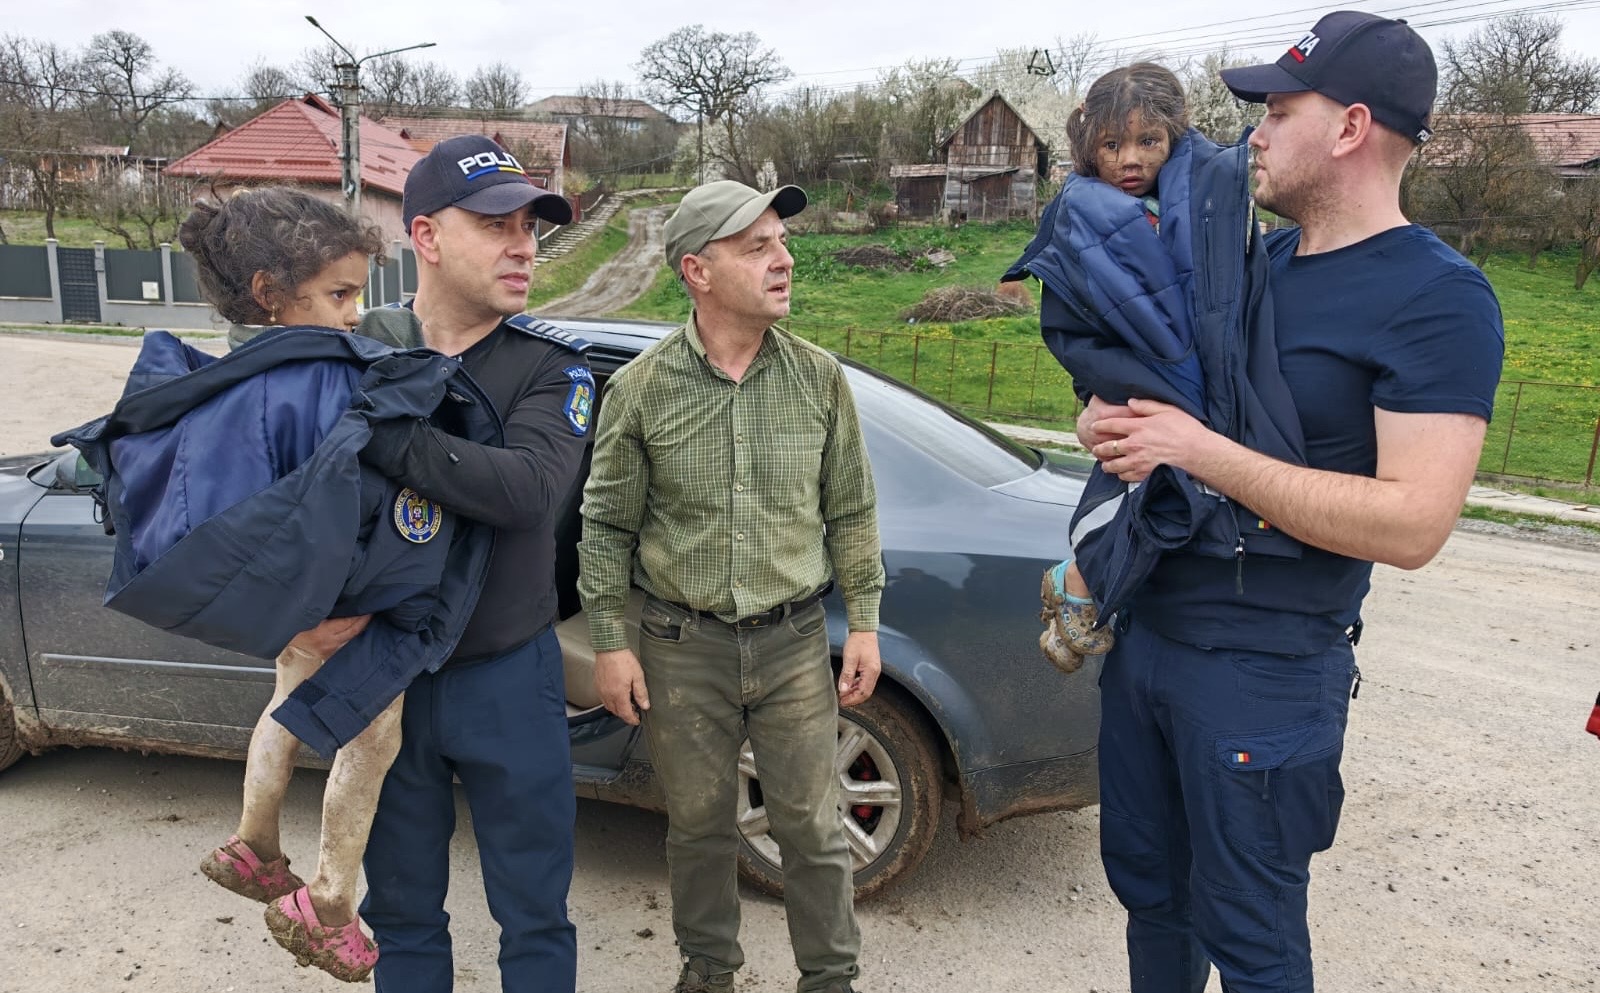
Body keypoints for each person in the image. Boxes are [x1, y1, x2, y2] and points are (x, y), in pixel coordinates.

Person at [1076, 12, 1505, 992]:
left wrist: (1202, 451)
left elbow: (1412, 523)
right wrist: (1114, 427)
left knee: (1253, 936)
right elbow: (1159, 414)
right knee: (1153, 900)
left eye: (1276, 111)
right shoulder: (1250, 269)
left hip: (1263, 673)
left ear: (1350, 128)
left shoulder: (1437, 298)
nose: (1252, 135)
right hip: (1148, 641)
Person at [577, 180, 885, 993]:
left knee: (813, 828)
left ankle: (830, 978)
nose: (784, 261)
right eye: (757, 247)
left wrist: (865, 622)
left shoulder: (819, 380)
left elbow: (851, 508)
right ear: (697, 271)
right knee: (699, 828)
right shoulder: (641, 389)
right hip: (683, 647)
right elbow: (605, 526)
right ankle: (708, 970)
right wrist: (610, 642)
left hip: (792, 644)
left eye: (782, 242)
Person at [350, 135, 590, 993]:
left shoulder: (551, 368)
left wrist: (382, 433)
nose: (524, 244)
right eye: (496, 223)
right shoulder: (358, 358)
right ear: (426, 235)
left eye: (531, 226)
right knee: (401, 914)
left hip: (508, 676)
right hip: (385, 672)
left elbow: (526, 489)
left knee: (534, 916)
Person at [1009, 62, 1306, 676]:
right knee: (1148, 485)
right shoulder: (1080, 211)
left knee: (1166, 484)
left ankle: (1082, 587)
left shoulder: (1204, 195)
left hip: (1193, 374)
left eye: (1149, 141)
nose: (1130, 160)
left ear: (1175, 137)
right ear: (1088, 147)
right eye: (1112, 144)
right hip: (1140, 372)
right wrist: (1098, 389)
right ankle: (1084, 588)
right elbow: (1079, 315)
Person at [180, 187, 396, 983]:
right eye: (339, 294)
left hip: (295, 607)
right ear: (270, 293)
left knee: (286, 700)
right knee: (373, 738)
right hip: (342, 604)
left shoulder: (241, 375)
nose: (353, 314)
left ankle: (254, 839)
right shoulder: (311, 379)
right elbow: (327, 499)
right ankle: (330, 900)